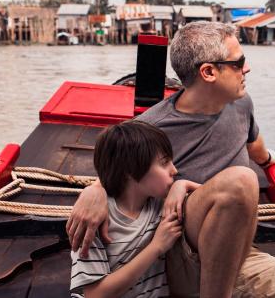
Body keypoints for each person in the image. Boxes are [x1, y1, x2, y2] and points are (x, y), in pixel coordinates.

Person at [67, 21, 275, 298]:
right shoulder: (152, 129)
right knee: (241, 181)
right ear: (208, 72)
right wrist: (95, 189)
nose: (247, 68)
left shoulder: (241, 103)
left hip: (238, 251)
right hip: (181, 254)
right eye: (239, 62)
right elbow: (118, 171)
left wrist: (268, 159)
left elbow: (255, 144)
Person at [70, 120, 189, 297]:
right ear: (130, 171)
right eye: (164, 163)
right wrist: (156, 247)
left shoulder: (162, 203)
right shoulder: (95, 219)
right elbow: (95, 295)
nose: (174, 170)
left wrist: (183, 185)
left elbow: (216, 199)